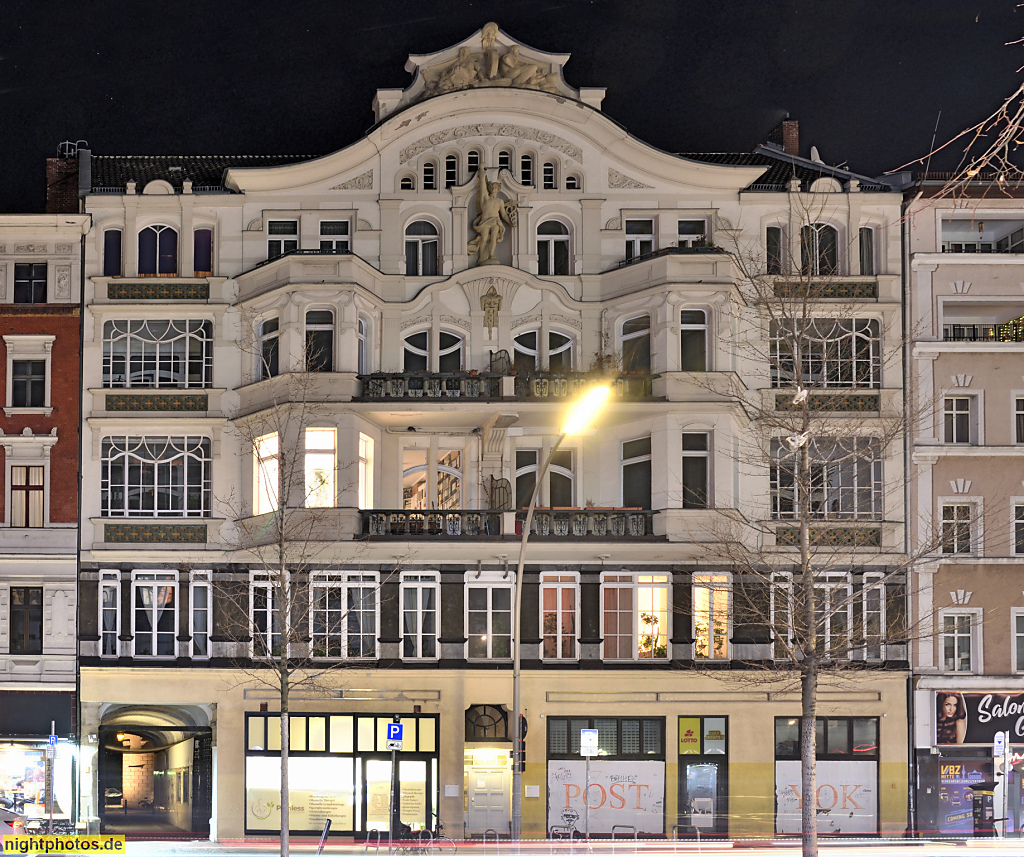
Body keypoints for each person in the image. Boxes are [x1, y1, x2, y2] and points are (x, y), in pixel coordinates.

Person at [467, 169, 516, 266]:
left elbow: (504, 214)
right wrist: (481, 173)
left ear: (498, 189)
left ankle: (491, 255)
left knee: (493, 238)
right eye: (492, 186)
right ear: (489, 188)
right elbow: (482, 186)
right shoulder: (485, 198)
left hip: (496, 221)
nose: (494, 188)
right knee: (484, 238)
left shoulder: (500, 201)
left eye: (495, 187)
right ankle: (481, 256)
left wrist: (510, 222)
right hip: (485, 221)